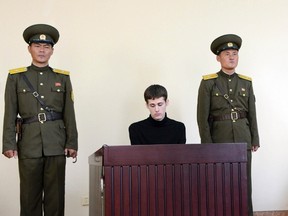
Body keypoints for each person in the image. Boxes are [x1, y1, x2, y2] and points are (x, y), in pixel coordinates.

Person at [2, 24, 78, 216]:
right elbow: (10, 112)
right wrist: (8, 143)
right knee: (29, 199)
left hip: (56, 143)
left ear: (52, 50)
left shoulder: (63, 78)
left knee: (55, 199)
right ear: (29, 48)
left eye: (46, 46)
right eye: (37, 46)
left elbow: (69, 112)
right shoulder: (16, 77)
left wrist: (72, 142)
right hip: (29, 144)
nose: (42, 50)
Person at [197, 34, 260, 216]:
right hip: (219, 139)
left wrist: (255, 138)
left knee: (244, 183)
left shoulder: (246, 82)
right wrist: (206, 145)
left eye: (235, 53)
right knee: (219, 183)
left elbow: (252, 113)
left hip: (243, 137)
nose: (232, 57)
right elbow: (202, 116)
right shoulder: (209, 82)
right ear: (218, 58)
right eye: (227, 54)